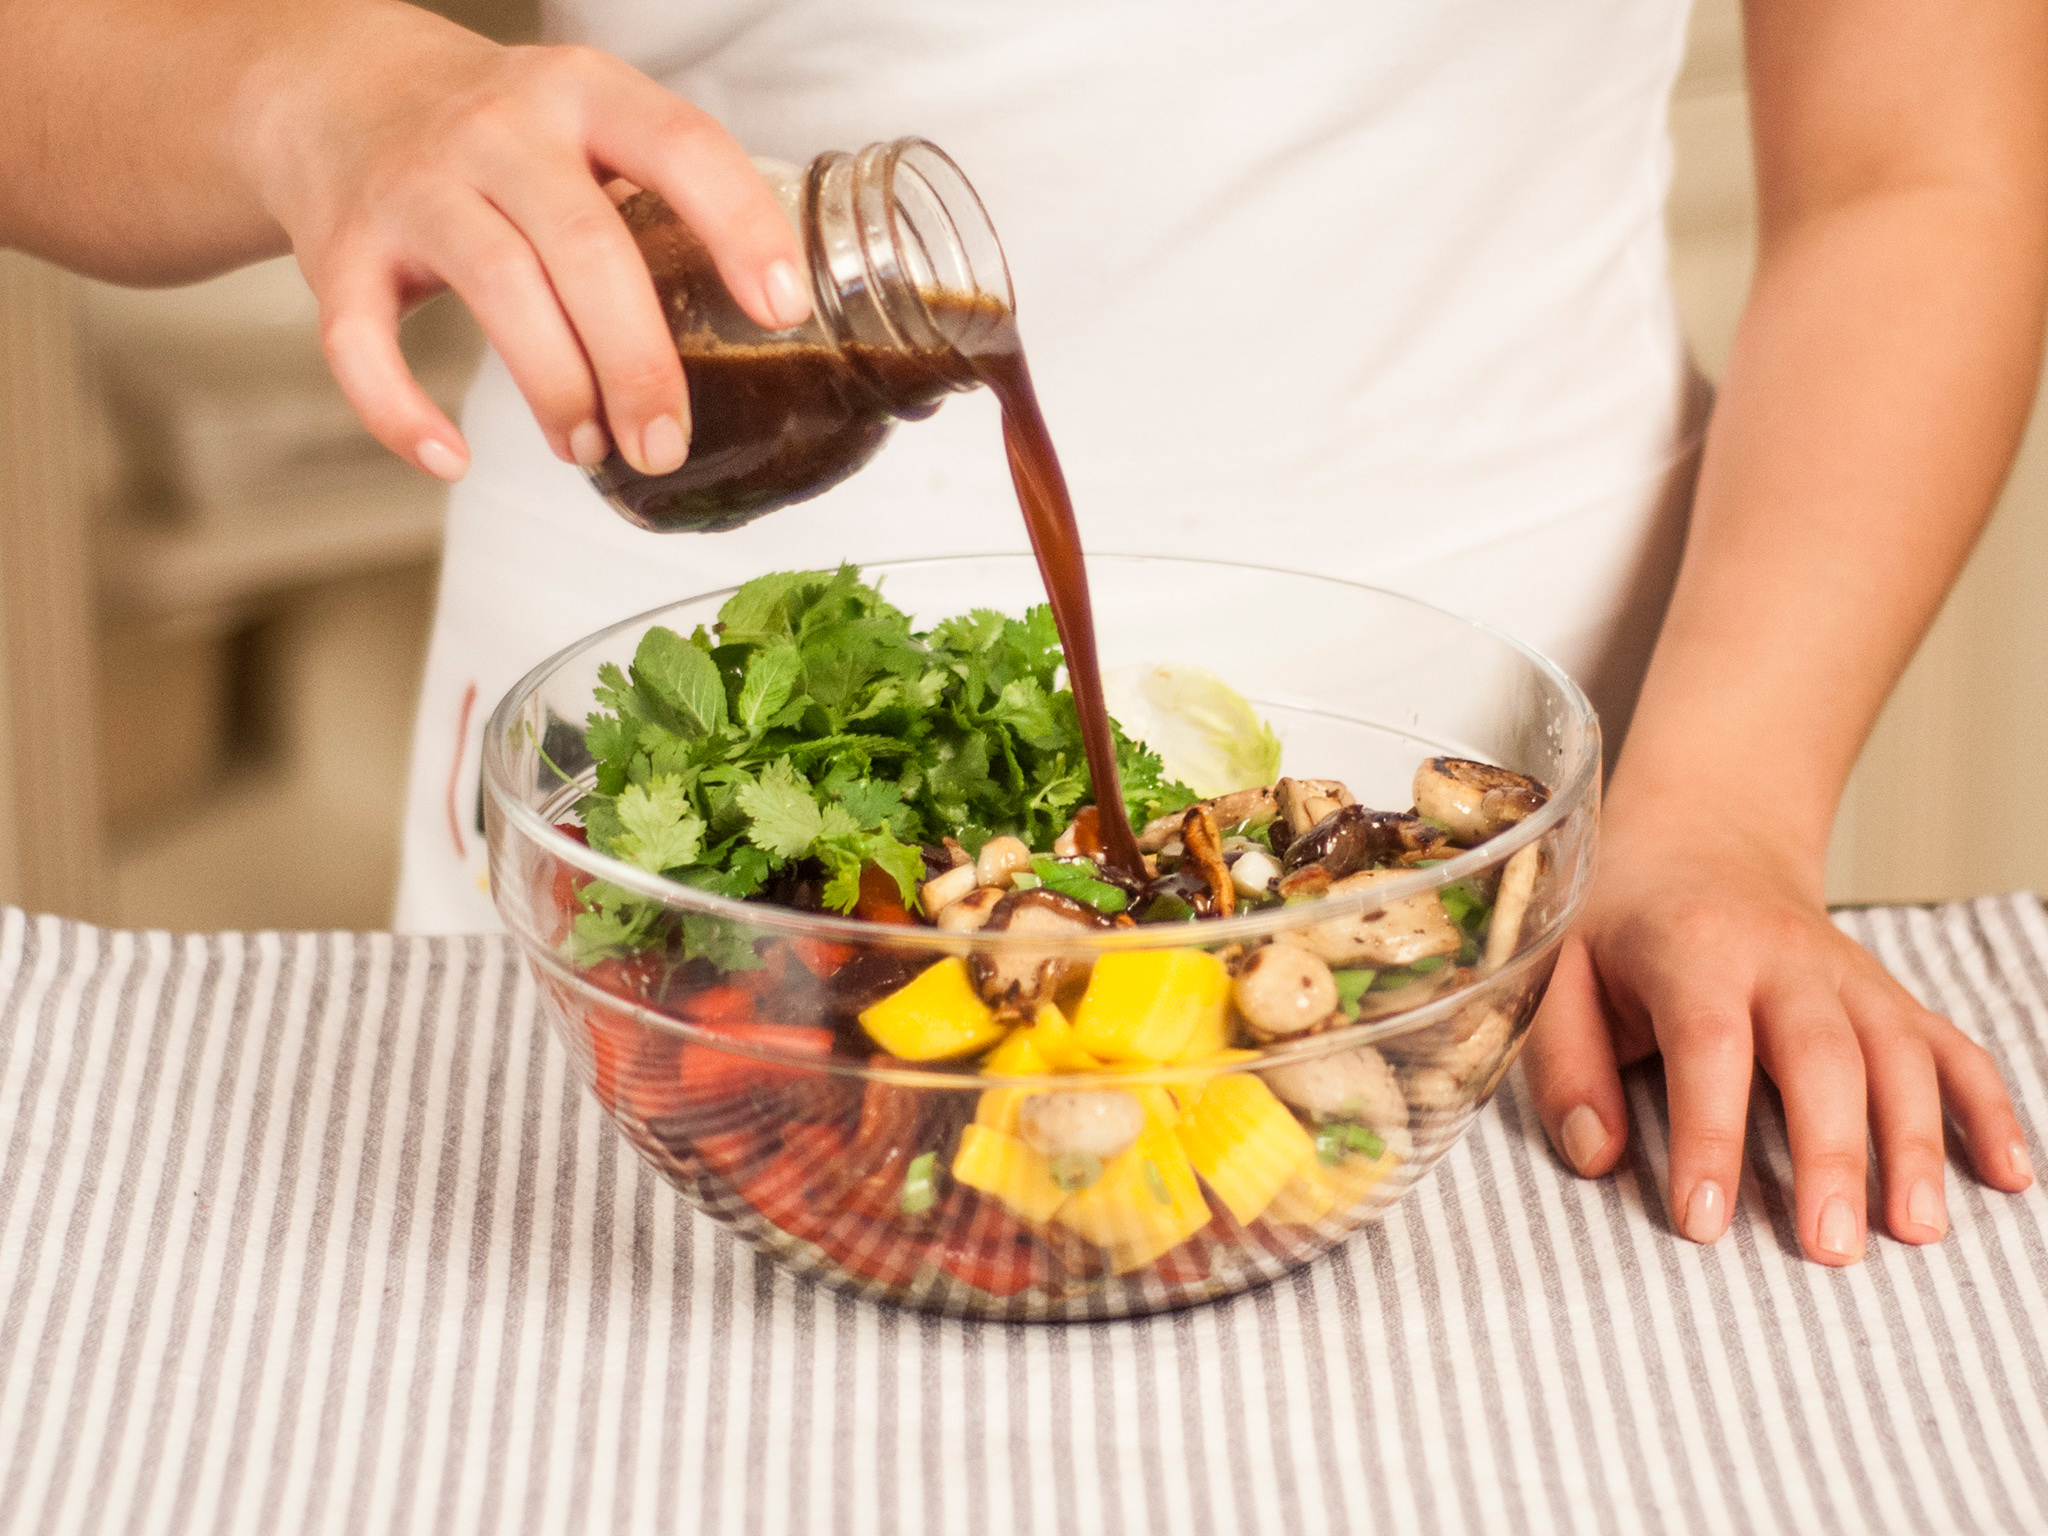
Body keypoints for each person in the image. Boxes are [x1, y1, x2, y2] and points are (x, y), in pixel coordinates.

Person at [2, 0, 2040, 1268]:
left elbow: (1917, 167)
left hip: (1518, 847)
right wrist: (308, 83)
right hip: (690, 831)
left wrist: (1727, 817)